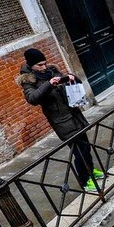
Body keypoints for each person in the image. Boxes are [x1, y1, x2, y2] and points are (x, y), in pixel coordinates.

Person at [17, 48, 103, 192]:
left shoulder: (53, 71)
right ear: (31, 65)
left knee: (86, 147)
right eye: (40, 65)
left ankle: (91, 170)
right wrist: (49, 84)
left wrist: (71, 78)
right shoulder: (28, 81)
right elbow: (32, 99)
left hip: (75, 115)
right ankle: (85, 181)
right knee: (79, 151)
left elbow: (76, 83)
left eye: (45, 63)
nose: (44, 67)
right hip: (62, 122)